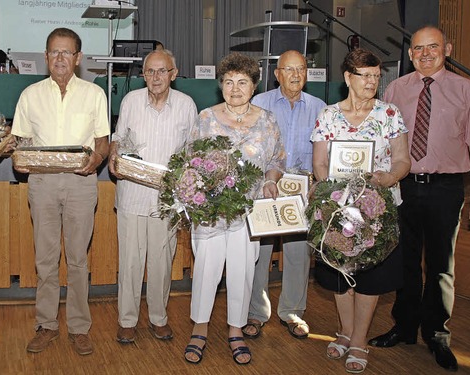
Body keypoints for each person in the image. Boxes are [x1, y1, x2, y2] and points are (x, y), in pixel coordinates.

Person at [368, 26, 470, 372]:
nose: (426, 54)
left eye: (433, 47)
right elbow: (384, 143)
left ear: (448, 48)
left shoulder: (466, 90)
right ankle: (405, 326)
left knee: (441, 265)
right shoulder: (396, 89)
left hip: (447, 187)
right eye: (418, 49)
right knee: (405, 260)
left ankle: (437, 334)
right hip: (405, 186)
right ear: (410, 54)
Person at [311, 48, 411, 373]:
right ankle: (345, 331)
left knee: (370, 276)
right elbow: (320, 164)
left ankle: (358, 339)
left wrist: (389, 177)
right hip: (339, 211)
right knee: (341, 274)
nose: (371, 82)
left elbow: (402, 160)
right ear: (348, 78)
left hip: (378, 209)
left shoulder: (390, 114)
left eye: (376, 75)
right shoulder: (328, 116)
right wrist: (334, 193)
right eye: (364, 75)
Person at [11, 27, 109, 356]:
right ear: (46, 57)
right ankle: (47, 324)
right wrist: (19, 160)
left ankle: (79, 327)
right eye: (54, 52)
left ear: (78, 58)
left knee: (79, 259)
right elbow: (21, 142)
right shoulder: (30, 95)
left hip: (81, 183)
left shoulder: (95, 94)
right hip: (42, 183)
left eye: (67, 53)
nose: (60, 58)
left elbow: (102, 142)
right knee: (45, 258)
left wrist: (96, 159)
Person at [184, 52, 285, 366]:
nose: (235, 88)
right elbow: (189, 160)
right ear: (220, 85)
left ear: (254, 86)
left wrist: (270, 181)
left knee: (242, 272)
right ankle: (199, 328)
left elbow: (276, 160)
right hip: (210, 211)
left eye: (242, 82)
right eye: (228, 82)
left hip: (248, 211)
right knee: (205, 271)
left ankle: (235, 331)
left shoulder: (267, 121)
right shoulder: (205, 118)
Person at [107, 49, 197, 344]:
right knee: (131, 262)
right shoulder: (131, 101)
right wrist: (114, 156)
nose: (155, 77)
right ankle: (127, 320)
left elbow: (192, 151)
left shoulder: (186, 105)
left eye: (162, 71)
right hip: (132, 195)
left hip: (167, 201)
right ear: (143, 74)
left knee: (161, 263)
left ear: (173, 73)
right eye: (149, 71)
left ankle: (159, 319)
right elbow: (119, 139)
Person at [244, 50, 326, 340]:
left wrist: (319, 183)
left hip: (302, 192)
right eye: (288, 69)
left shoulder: (320, 108)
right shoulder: (259, 103)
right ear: (276, 74)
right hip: (264, 189)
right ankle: (255, 312)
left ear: (306, 73)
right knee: (259, 254)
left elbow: (324, 155)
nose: (295, 75)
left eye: (300, 69)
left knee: (298, 255)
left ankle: (292, 311)